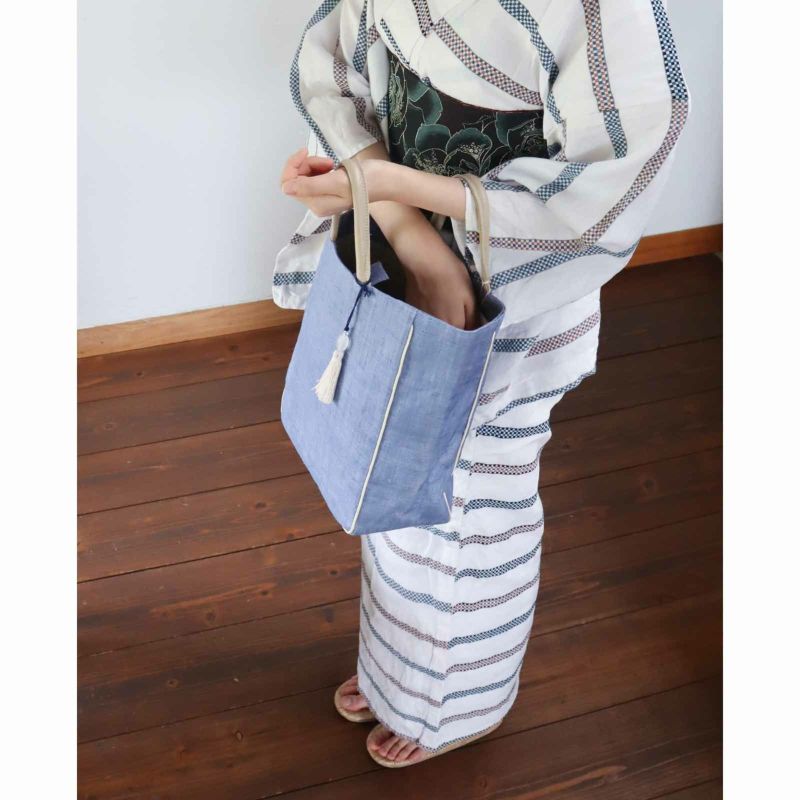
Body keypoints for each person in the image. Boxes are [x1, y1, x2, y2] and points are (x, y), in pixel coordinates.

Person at [275, 0, 689, 768]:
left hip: (510, 271)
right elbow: (336, 61)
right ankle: (396, 673)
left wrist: (399, 194)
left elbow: (618, 161)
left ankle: (455, 703)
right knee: (393, 470)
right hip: (400, 234)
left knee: (476, 503)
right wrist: (397, 216)